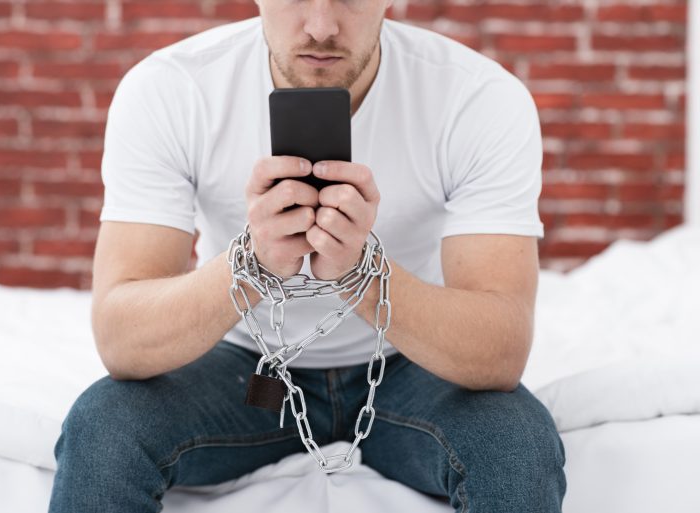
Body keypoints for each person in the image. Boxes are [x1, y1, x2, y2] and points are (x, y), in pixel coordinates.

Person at [48, 0, 566, 511]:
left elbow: (502, 350)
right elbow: (120, 338)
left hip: (408, 362)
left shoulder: (478, 98)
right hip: (242, 366)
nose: (321, 27)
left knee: (516, 441)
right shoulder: (171, 89)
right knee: (104, 426)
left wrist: (362, 275)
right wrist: (250, 264)